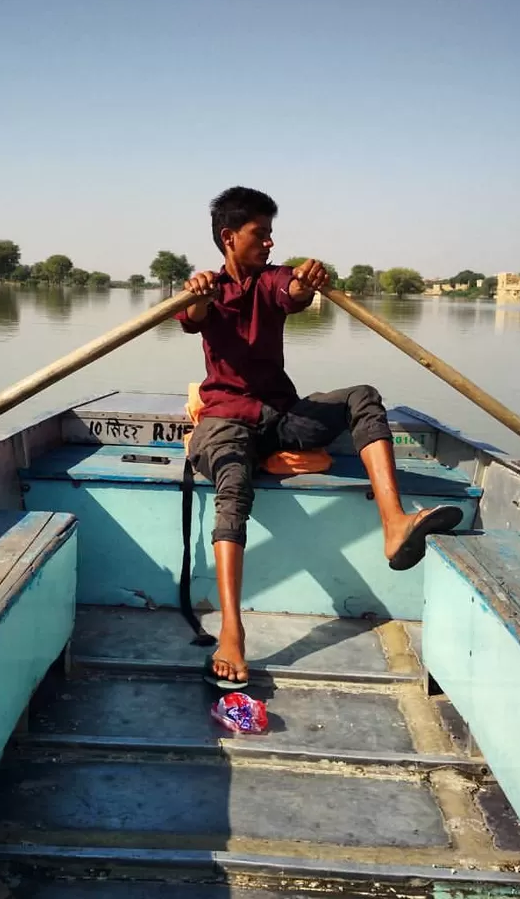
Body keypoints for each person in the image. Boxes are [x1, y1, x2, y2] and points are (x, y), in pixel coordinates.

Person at [177, 186, 462, 687]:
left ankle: (395, 524)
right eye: (259, 234)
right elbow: (192, 318)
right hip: (225, 420)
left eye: (271, 234)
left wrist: (306, 282)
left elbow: (293, 293)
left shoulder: (272, 278)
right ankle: (232, 633)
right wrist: (197, 298)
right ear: (228, 237)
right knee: (234, 487)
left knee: (362, 396)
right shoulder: (205, 289)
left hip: (281, 415)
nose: (269, 243)